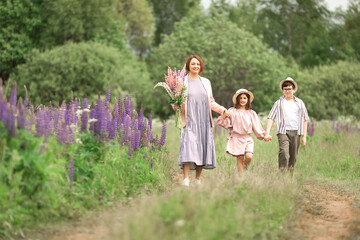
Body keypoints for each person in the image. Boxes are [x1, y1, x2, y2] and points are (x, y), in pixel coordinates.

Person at [173, 55, 230, 187]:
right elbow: (176, 102)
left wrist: (222, 110)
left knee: (202, 148)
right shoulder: (181, 82)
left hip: (204, 120)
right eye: (193, 64)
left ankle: (198, 179)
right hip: (189, 120)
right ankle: (186, 179)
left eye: (198, 64)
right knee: (188, 146)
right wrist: (175, 105)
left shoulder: (206, 82)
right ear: (188, 66)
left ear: (201, 66)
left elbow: (211, 102)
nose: (196, 66)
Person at [216, 89, 268, 172]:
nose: (242, 100)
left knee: (249, 156)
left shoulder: (251, 113)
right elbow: (223, 122)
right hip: (236, 138)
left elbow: (257, 127)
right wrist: (224, 116)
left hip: (247, 138)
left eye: (244, 98)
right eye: (240, 98)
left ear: (248, 100)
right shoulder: (232, 111)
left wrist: (264, 135)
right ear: (237, 100)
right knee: (239, 158)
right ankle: (241, 177)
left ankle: (245, 168)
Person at [264, 77, 309, 171]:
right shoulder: (278, 103)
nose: (287, 91)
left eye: (289, 89)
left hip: (297, 131)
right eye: (285, 89)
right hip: (283, 131)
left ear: (294, 89)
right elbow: (271, 117)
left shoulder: (300, 103)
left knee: (293, 156)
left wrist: (304, 136)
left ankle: (290, 176)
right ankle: (282, 175)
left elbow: (305, 119)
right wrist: (267, 132)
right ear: (282, 90)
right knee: (284, 152)